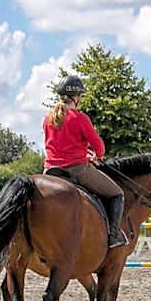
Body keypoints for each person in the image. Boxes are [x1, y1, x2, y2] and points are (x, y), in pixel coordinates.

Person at [43, 75, 128, 248]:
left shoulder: (48, 119)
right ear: (76, 97)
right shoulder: (79, 118)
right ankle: (113, 236)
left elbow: (56, 145)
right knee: (117, 194)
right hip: (76, 170)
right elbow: (99, 147)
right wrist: (96, 155)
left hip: (49, 171)